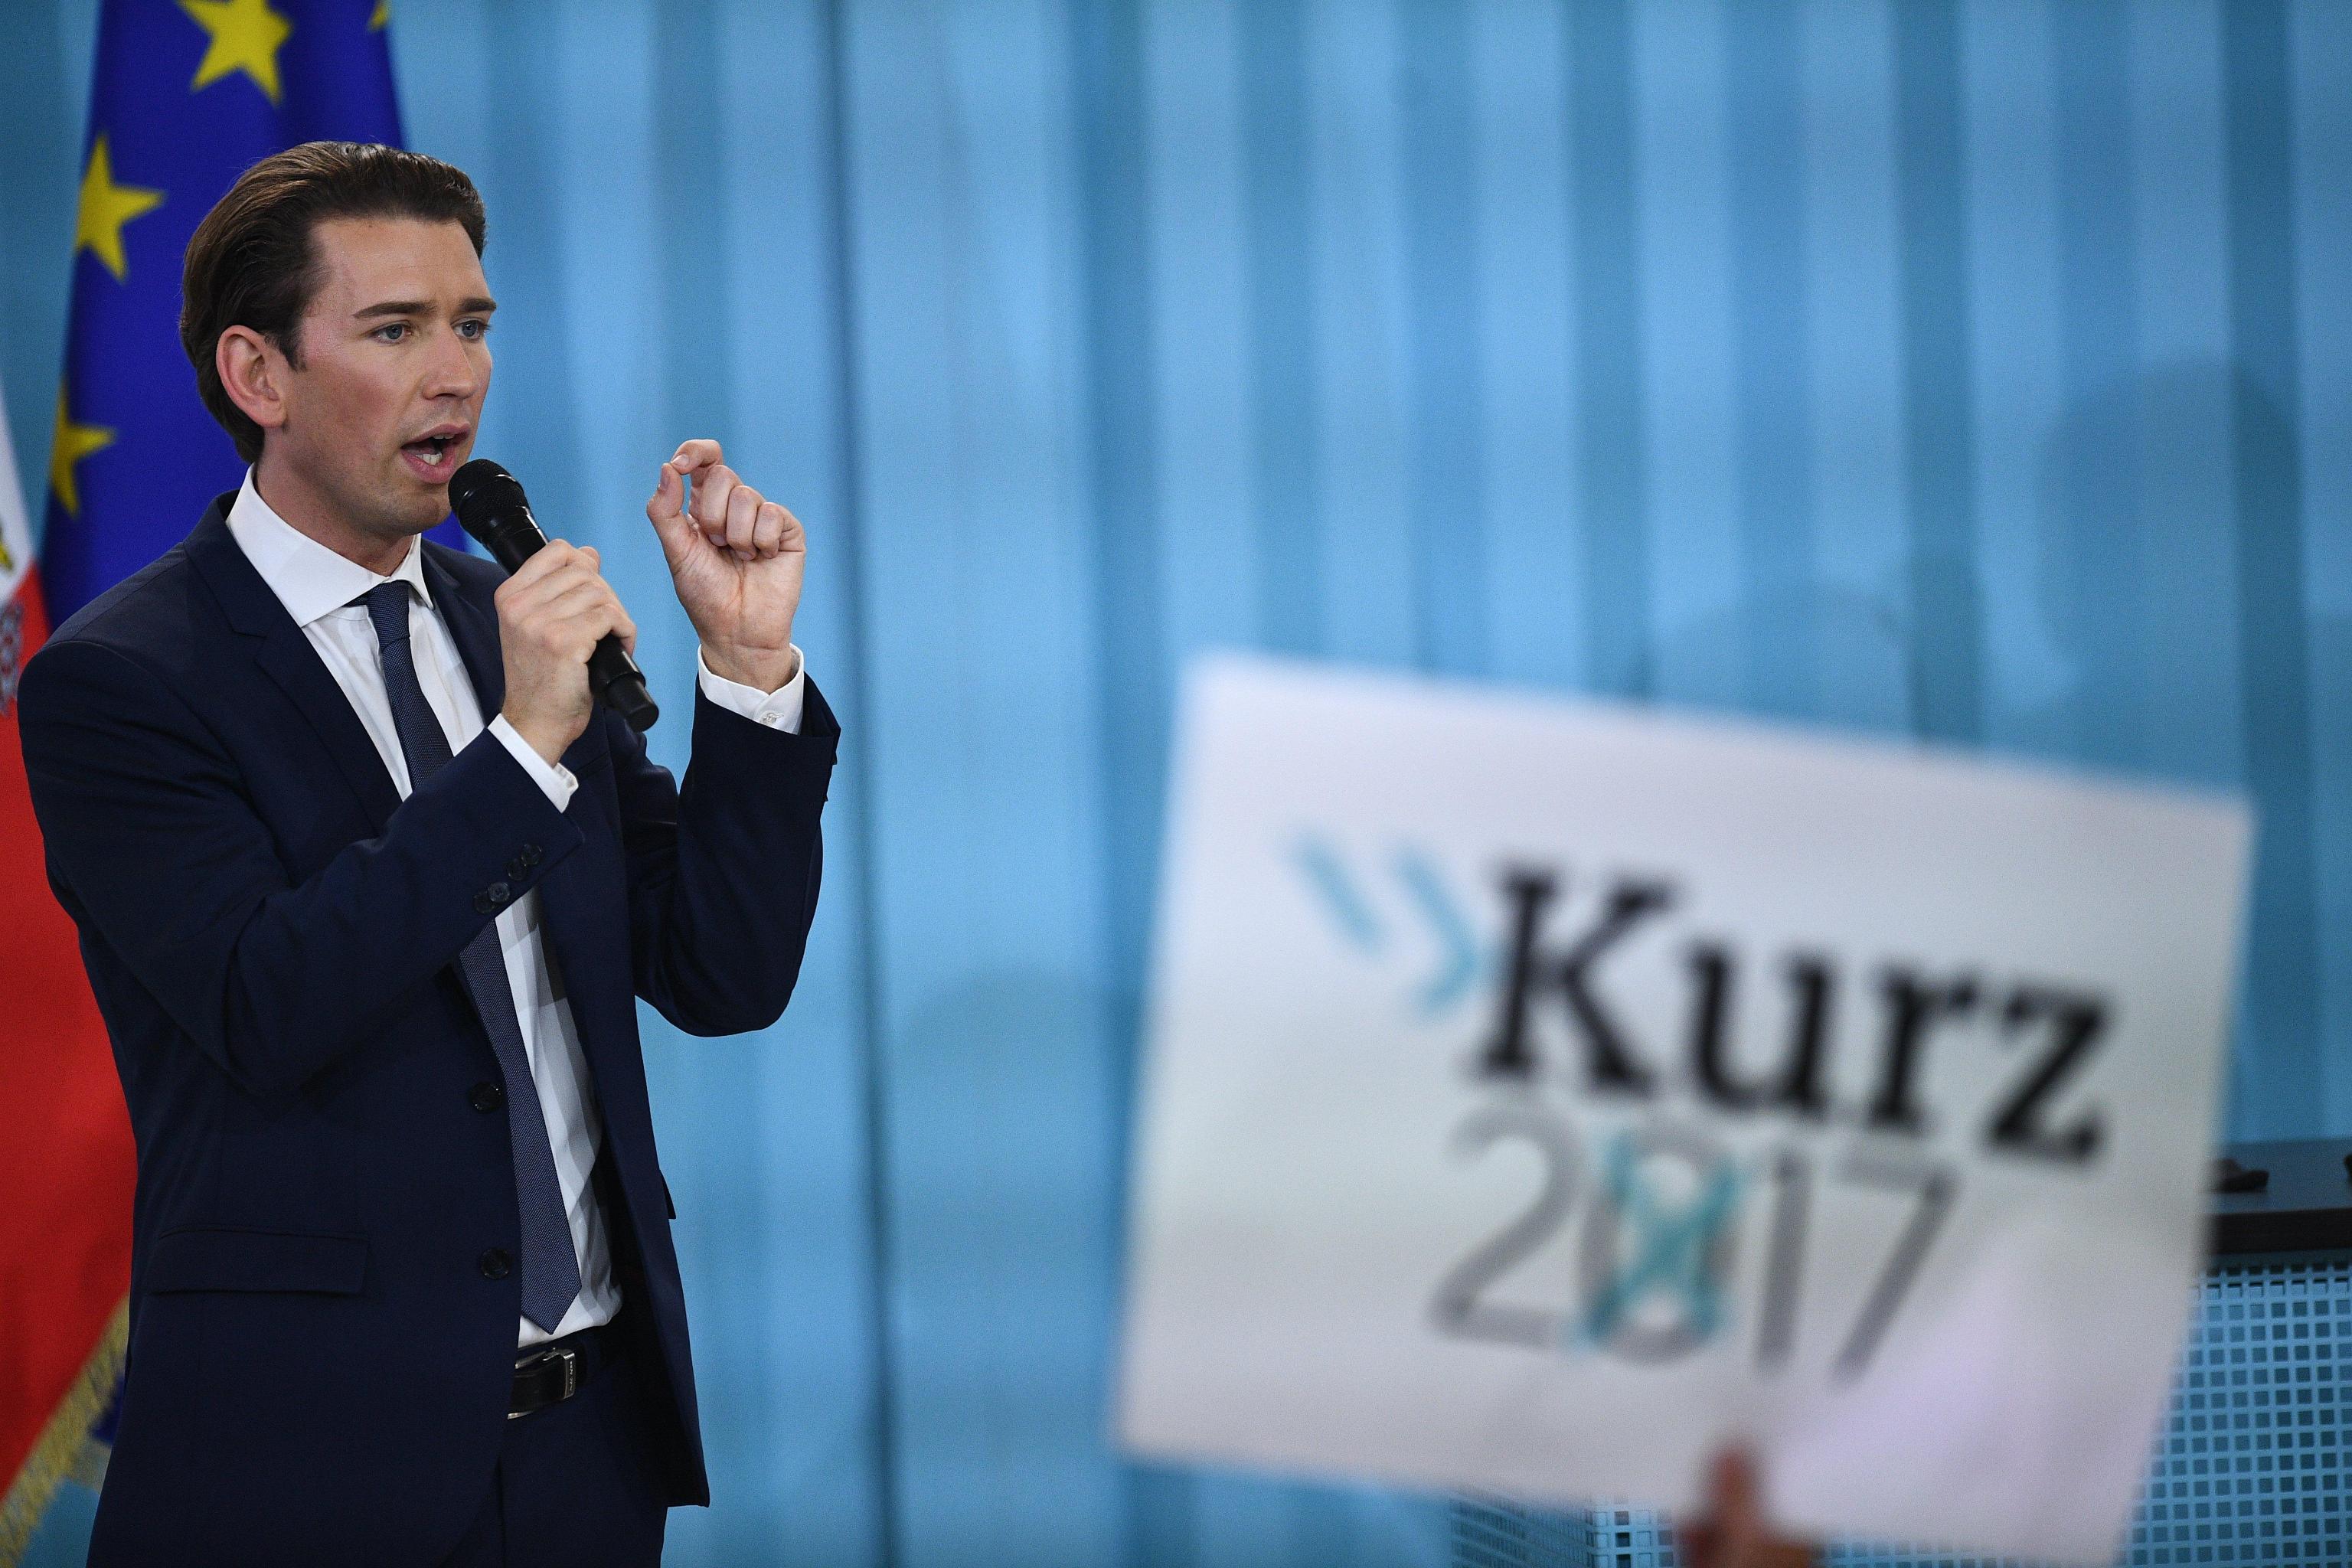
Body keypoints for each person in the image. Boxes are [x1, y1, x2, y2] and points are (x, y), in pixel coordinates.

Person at [18, 142, 834, 1566]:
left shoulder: (504, 623)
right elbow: (267, 1002)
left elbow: (721, 974)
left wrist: (748, 671)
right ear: (258, 375)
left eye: (473, 323)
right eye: (395, 330)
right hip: (302, 1472)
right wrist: (520, 750)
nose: (456, 373)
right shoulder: (126, 681)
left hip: (589, 1458)